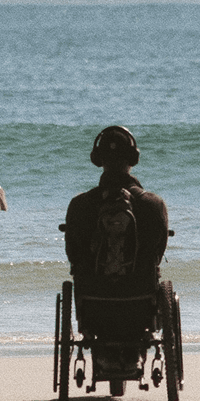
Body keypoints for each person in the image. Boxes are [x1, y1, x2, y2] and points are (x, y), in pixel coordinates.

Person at [64, 126, 169, 298]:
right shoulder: (153, 204)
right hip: (140, 295)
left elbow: (73, 255)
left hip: (93, 297)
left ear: (99, 159)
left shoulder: (79, 205)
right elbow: (157, 252)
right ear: (132, 159)